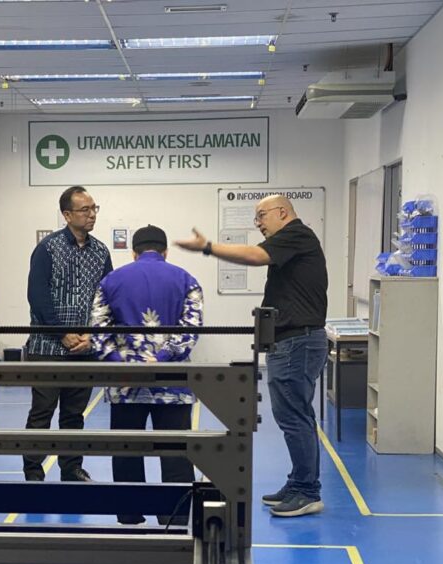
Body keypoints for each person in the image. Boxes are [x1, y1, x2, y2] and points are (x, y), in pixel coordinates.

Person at [176, 195, 328, 518]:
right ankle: (299, 482)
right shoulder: (294, 242)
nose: (258, 224)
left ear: (282, 212)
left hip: (297, 342)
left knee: (294, 417)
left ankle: (306, 491)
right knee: (294, 415)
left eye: (261, 216)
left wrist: (208, 247)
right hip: (292, 342)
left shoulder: (296, 234)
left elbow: (256, 255)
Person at [91, 225, 203, 525]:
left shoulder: (110, 281)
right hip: (173, 383)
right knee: (176, 453)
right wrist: (162, 358)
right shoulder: (187, 280)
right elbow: (191, 331)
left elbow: (98, 333)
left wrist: (121, 363)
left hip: (125, 384)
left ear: (134, 253)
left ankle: (130, 515)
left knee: (126, 452)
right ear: (165, 252)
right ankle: (174, 518)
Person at [22, 185, 113, 482]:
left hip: (84, 350)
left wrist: (93, 337)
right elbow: (37, 295)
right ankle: (33, 471)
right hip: (47, 349)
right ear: (67, 215)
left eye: (94, 208)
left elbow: (107, 298)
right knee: (41, 414)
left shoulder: (101, 252)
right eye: (85, 209)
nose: (92, 214)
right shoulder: (47, 249)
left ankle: (71, 468)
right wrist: (62, 332)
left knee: (74, 415)